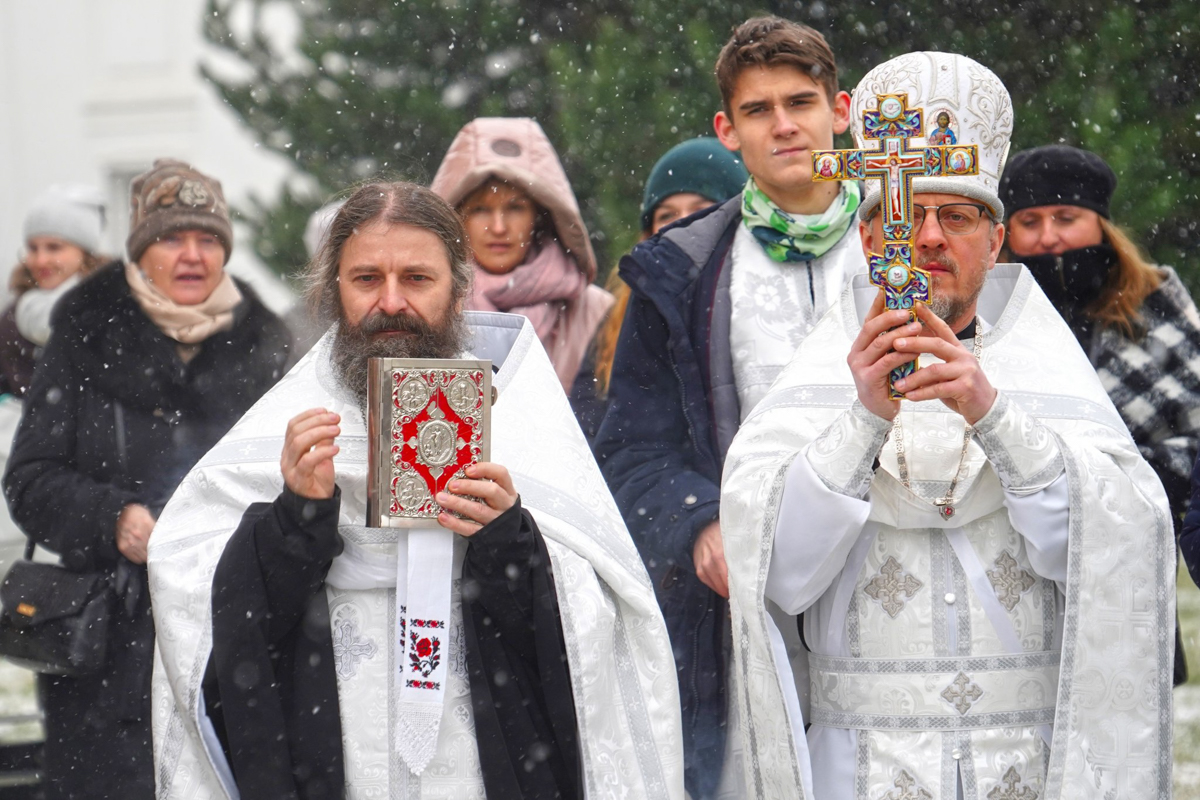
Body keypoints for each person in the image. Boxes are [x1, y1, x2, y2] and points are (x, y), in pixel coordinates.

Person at [721, 52, 1174, 800]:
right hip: (860, 766)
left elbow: (1110, 556)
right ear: (869, 240)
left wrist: (995, 417)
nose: (929, 237)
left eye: (957, 217)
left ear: (994, 244)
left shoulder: (1051, 382)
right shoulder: (810, 390)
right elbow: (782, 577)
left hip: (1026, 761)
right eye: (906, 214)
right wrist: (863, 419)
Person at [147, 181, 683, 799]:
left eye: (417, 278)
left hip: (484, 752)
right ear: (333, 289)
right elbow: (211, 608)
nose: (392, 302)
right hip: (336, 748)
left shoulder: (523, 420)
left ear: (457, 289)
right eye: (366, 279)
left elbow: (589, 623)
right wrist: (296, 518)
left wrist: (509, 539)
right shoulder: (285, 428)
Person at [592, 16, 865, 797]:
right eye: (757, 110)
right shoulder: (680, 271)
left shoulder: (912, 243)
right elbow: (634, 448)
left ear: (839, 110)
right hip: (744, 604)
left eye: (800, 102)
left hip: (892, 584)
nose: (783, 125)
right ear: (727, 129)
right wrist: (698, 523)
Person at [2, 159, 291, 799]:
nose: (192, 255)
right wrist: (114, 520)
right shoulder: (84, 332)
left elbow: (290, 486)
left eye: (208, 238)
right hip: (108, 650)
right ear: (139, 251)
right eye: (171, 238)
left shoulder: (265, 345)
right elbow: (30, 479)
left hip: (231, 640)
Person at [999, 145, 1200, 684]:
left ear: (1101, 225)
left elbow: (1193, 435)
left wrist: (1114, 482)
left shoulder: (1156, 308)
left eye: (1066, 217)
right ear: (1006, 234)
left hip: (1129, 561)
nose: (1048, 237)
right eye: (1030, 221)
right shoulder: (992, 317)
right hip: (1013, 561)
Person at [429, 118, 613, 433]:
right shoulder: (425, 308)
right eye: (480, 209)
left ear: (540, 215)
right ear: (454, 218)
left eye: (515, 207)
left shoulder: (599, 312)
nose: (499, 227)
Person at [592, 137, 748, 406]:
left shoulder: (767, 301)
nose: (682, 224)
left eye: (702, 211)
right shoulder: (618, 323)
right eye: (667, 215)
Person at [0, 184, 107, 397]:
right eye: (33, 248)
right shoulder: (13, 315)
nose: (41, 260)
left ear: (85, 252)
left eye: (54, 247)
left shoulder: (112, 308)